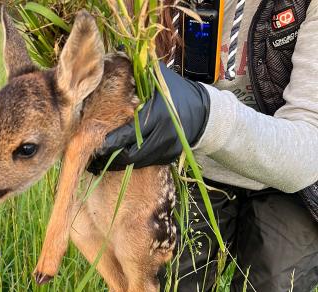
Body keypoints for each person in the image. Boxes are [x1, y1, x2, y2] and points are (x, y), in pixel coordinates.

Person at [88, 0, 318, 290]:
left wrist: (202, 115)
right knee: (172, 279)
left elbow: (310, 147)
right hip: (189, 162)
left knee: (278, 279)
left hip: (291, 181)